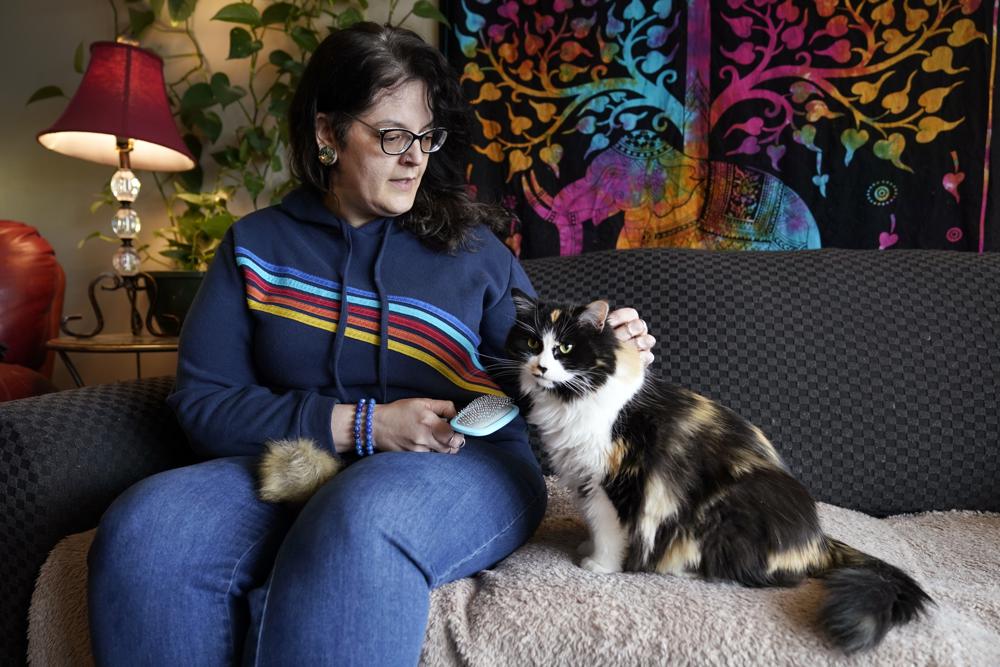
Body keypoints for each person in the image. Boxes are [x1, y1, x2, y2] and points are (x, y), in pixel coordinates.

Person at [87, 22, 656, 666]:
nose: (415, 157)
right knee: (148, 528)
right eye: (391, 137)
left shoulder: (474, 254)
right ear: (328, 132)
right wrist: (362, 425)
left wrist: (607, 353)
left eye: (424, 136)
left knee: (362, 516)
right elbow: (205, 405)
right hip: (296, 462)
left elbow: (539, 380)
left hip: (462, 468)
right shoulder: (256, 249)